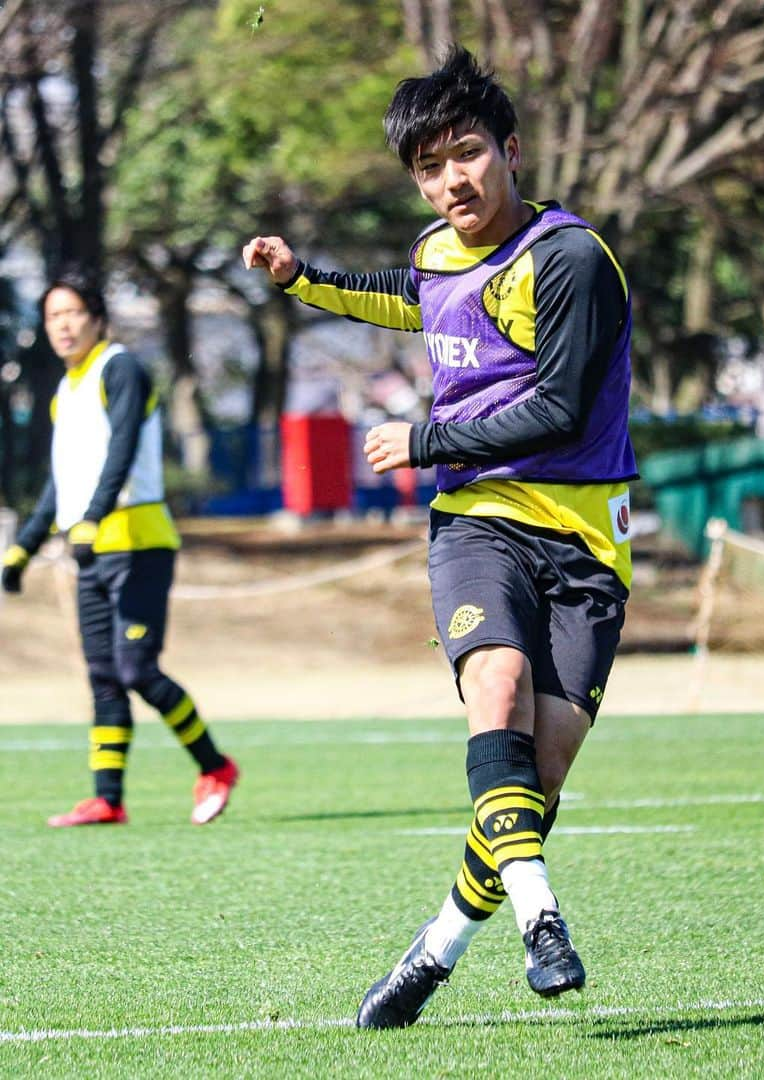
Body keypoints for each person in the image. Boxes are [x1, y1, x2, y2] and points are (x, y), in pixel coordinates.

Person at [243, 44, 636, 1028]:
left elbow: (559, 407)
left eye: (465, 153)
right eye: (429, 166)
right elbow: (404, 293)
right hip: (478, 523)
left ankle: (434, 951)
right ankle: (545, 924)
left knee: (537, 777)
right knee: (492, 684)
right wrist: (302, 280)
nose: (450, 178)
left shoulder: (569, 259)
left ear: (509, 149)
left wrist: (423, 438)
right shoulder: (437, 251)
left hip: (586, 542)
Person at [1, 268, 239, 827]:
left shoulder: (120, 367)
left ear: (98, 318)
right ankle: (107, 797)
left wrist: (91, 519)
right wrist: (23, 547)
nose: (61, 325)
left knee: (136, 669)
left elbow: (124, 450)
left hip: (139, 541)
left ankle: (216, 766)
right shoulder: (65, 388)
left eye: (72, 314)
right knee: (103, 675)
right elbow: (64, 479)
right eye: (52, 316)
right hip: (89, 549)